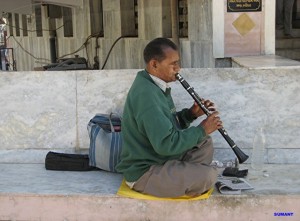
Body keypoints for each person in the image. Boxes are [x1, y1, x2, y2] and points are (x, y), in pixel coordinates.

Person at [116, 38, 222, 198]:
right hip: (146, 172)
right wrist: (202, 129)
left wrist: (190, 114)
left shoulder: (155, 85)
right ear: (154, 64)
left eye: (178, 63)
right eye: (173, 64)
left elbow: (167, 124)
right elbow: (166, 144)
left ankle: (182, 178)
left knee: (204, 142)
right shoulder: (147, 95)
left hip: (161, 158)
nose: (178, 69)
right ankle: (184, 179)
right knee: (209, 176)